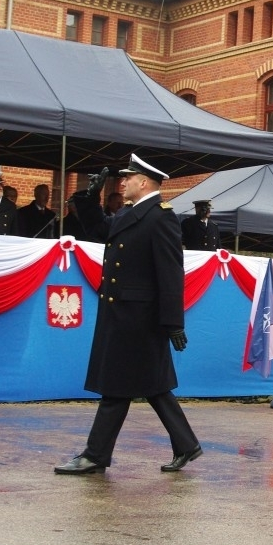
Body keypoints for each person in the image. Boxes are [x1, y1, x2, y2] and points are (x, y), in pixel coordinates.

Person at [55, 153, 201, 475]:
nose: (122, 182)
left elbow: (171, 274)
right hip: (122, 313)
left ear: (144, 182)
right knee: (153, 385)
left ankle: (95, 455)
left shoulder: (161, 217)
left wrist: (173, 322)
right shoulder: (131, 213)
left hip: (140, 318)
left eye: (128, 178)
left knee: (117, 387)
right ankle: (186, 444)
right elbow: (99, 229)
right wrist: (88, 198)